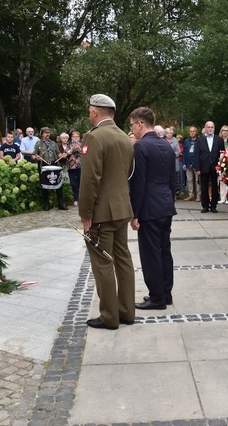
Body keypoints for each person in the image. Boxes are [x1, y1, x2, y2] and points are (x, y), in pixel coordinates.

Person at [79, 94, 136, 330]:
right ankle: (126, 312)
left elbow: (90, 180)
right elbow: (128, 172)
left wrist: (85, 213)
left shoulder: (94, 137)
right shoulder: (124, 137)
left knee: (103, 262)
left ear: (95, 111)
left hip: (102, 212)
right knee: (123, 259)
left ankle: (109, 316)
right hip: (122, 207)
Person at [129, 107, 177, 310]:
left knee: (150, 254)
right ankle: (166, 293)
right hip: (165, 205)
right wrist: (170, 201)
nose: (132, 129)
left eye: (132, 125)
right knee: (164, 250)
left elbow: (138, 183)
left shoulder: (141, 147)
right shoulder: (165, 144)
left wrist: (135, 213)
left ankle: (156, 297)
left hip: (149, 207)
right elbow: (173, 179)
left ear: (140, 124)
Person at [32, 127, 68, 211]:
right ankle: (46, 204)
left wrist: (62, 155)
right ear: (42, 134)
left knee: (59, 184)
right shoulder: (38, 144)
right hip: (43, 165)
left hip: (54, 164)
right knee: (44, 185)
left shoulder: (53, 143)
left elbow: (58, 154)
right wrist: (36, 158)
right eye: (45, 133)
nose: (48, 134)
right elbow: (33, 155)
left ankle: (61, 203)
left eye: (49, 133)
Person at [193, 121, 225, 213]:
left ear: (214, 128)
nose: (210, 129)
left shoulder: (219, 139)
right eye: (208, 127)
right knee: (204, 186)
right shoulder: (200, 140)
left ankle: (214, 205)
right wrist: (198, 168)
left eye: (212, 127)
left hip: (216, 167)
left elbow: (223, 153)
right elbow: (197, 154)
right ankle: (205, 205)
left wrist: (222, 167)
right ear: (205, 128)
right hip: (204, 166)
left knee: (215, 186)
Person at [182, 126, 200, 201]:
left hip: (196, 163)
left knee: (197, 180)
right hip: (188, 162)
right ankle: (191, 195)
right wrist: (184, 163)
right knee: (189, 179)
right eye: (191, 131)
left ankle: (199, 195)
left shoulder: (200, 140)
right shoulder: (186, 141)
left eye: (193, 131)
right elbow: (184, 153)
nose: (192, 133)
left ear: (196, 132)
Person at [66, 129, 83, 204]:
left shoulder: (83, 144)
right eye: (74, 136)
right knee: (74, 183)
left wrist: (80, 150)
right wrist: (72, 149)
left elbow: (86, 153)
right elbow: (66, 153)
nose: (75, 138)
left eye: (77, 136)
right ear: (71, 137)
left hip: (81, 165)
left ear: (79, 138)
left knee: (81, 182)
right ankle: (75, 199)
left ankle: (82, 198)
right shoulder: (68, 144)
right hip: (71, 166)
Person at [217, 125, 228, 204]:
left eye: (227, 130)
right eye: (223, 130)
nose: (225, 132)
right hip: (220, 161)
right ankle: (222, 197)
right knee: (221, 179)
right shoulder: (218, 140)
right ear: (221, 132)